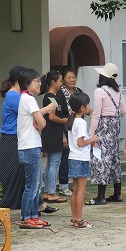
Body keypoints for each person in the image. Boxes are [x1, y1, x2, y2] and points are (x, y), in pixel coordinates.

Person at [17, 68, 57, 229]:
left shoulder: (26, 98)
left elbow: (36, 117)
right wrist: (39, 119)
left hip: (28, 146)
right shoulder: (29, 99)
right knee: (32, 186)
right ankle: (26, 217)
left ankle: (33, 216)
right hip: (30, 146)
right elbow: (42, 123)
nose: (40, 83)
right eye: (36, 81)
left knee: (34, 184)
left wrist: (42, 113)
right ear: (27, 84)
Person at [87, 63, 126, 205]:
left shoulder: (100, 91)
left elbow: (96, 114)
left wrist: (91, 134)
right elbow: (123, 110)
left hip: (103, 126)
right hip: (115, 125)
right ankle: (117, 194)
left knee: (100, 159)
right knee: (114, 158)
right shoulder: (118, 91)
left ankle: (100, 197)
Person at [0, 65, 27, 210]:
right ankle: (5, 202)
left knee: (20, 172)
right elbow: (30, 112)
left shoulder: (15, 95)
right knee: (10, 172)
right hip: (11, 138)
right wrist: (48, 109)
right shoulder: (14, 96)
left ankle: (24, 202)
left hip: (14, 137)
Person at [66, 93, 99, 228]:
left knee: (75, 190)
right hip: (80, 158)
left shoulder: (72, 120)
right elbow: (80, 142)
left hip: (73, 157)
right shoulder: (81, 122)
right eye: (87, 105)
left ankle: (74, 218)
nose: (89, 107)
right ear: (82, 107)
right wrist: (93, 139)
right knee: (81, 190)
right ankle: (79, 219)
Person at [41, 70, 68, 203]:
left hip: (49, 132)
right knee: (54, 164)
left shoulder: (48, 96)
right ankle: (51, 192)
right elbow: (52, 116)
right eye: (60, 81)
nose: (62, 83)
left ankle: (47, 191)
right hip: (54, 132)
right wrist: (64, 121)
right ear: (53, 82)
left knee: (50, 164)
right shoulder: (51, 97)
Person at [56, 68, 83, 197]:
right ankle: (63, 185)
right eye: (69, 77)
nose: (72, 80)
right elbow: (59, 115)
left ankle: (77, 184)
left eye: (74, 77)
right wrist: (63, 135)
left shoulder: (79, 92)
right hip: (66, 128)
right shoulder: (60, 94)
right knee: (65, 157)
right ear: (63, 80)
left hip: (78, 128)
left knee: (78, 156)